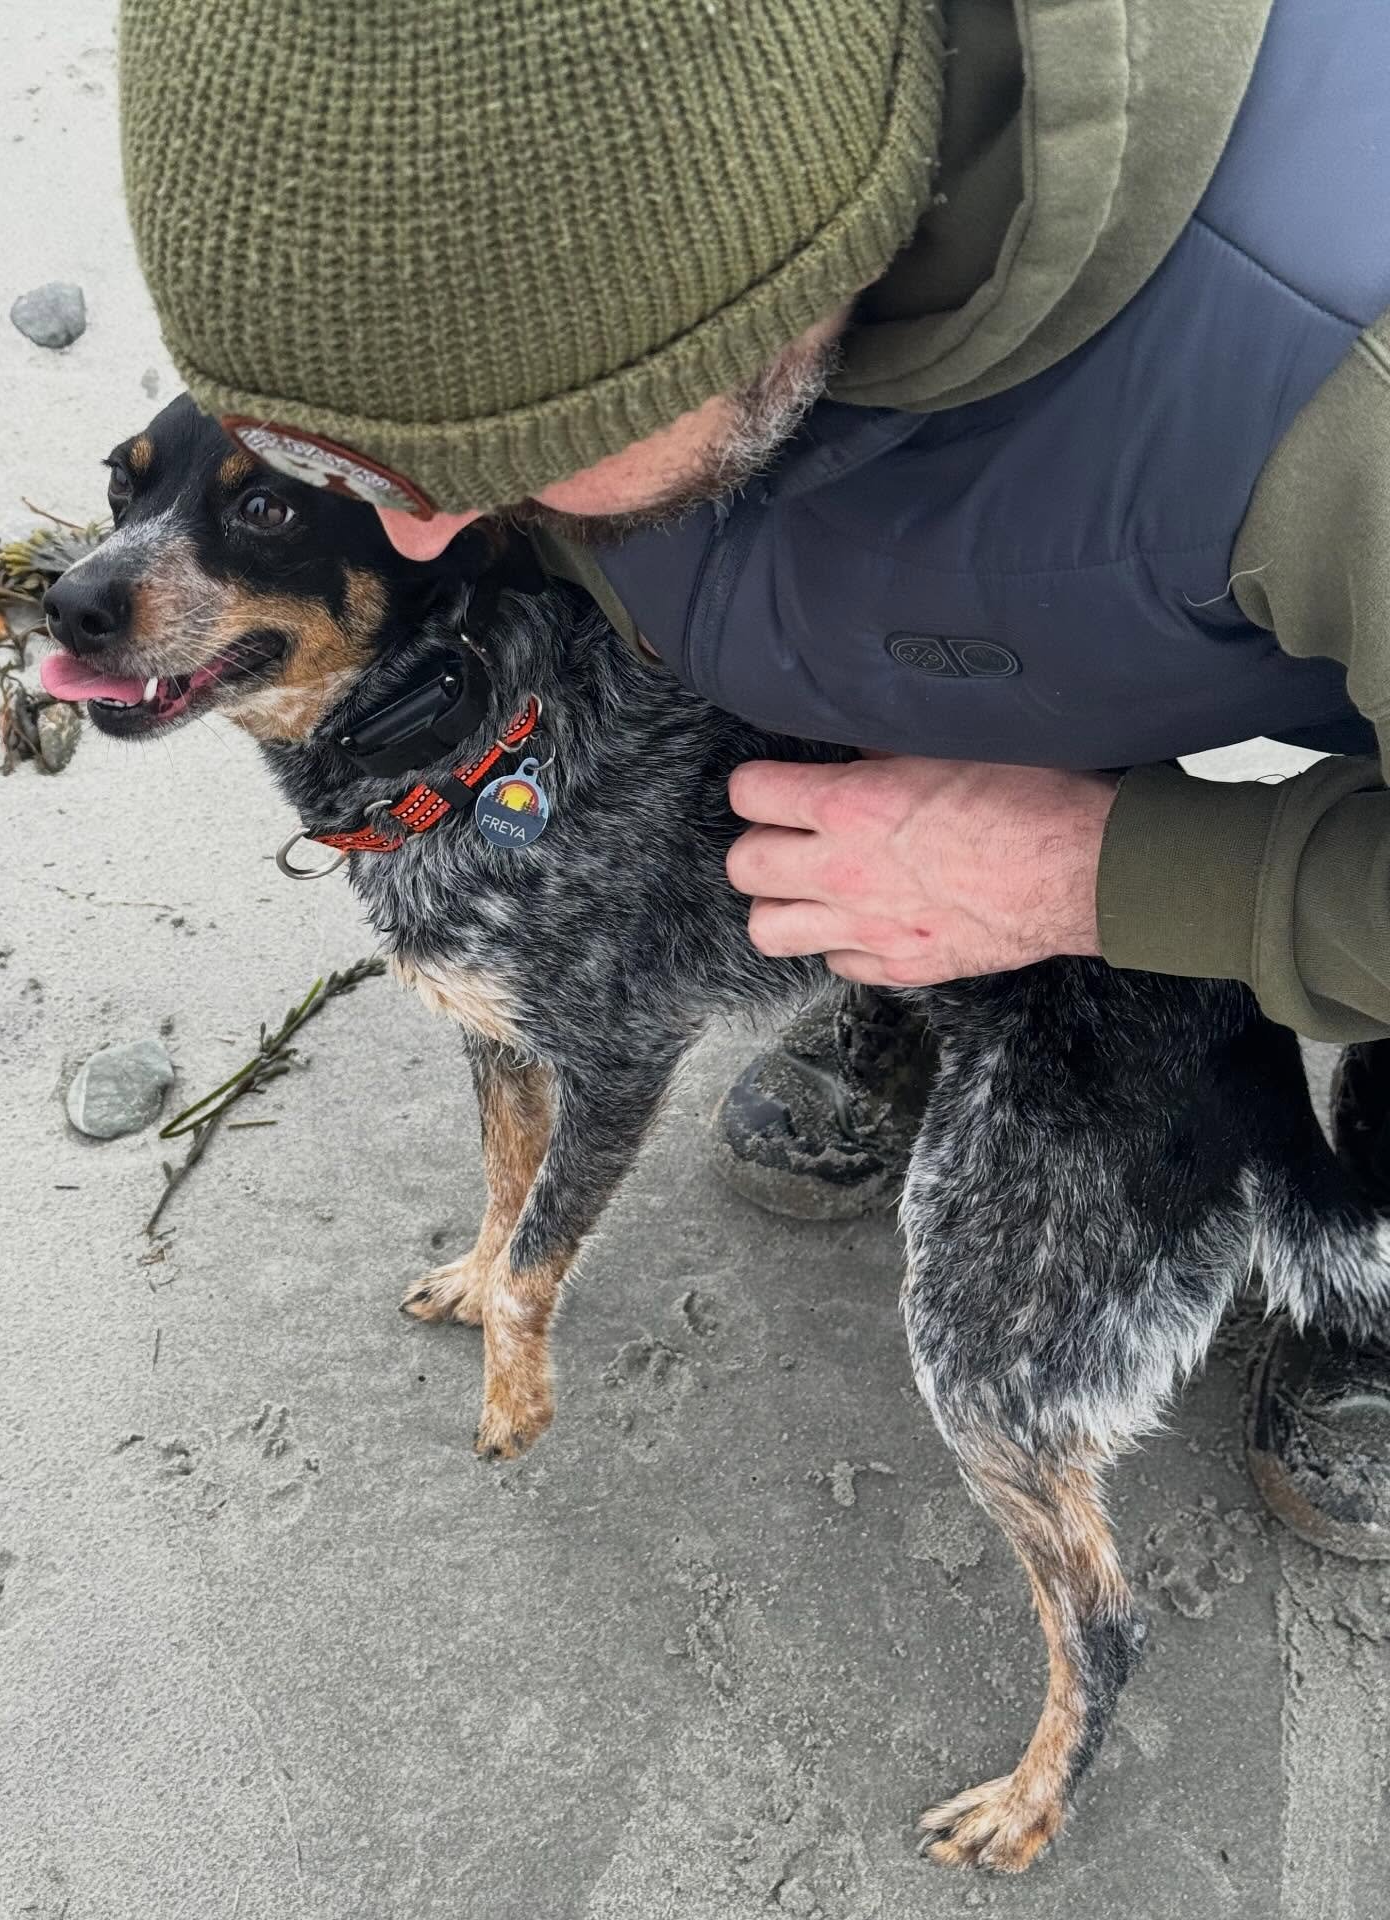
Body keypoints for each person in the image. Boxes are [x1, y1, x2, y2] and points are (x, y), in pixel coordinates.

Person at [118, 0, 1390, 1557]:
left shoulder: (1350, 372)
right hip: (964, 639)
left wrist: (1093, 868)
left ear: (767, 275)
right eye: (340, 471)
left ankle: (1371, 1264)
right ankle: (892, 983)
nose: (427, 539)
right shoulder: (641, 348)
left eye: (501, 446)